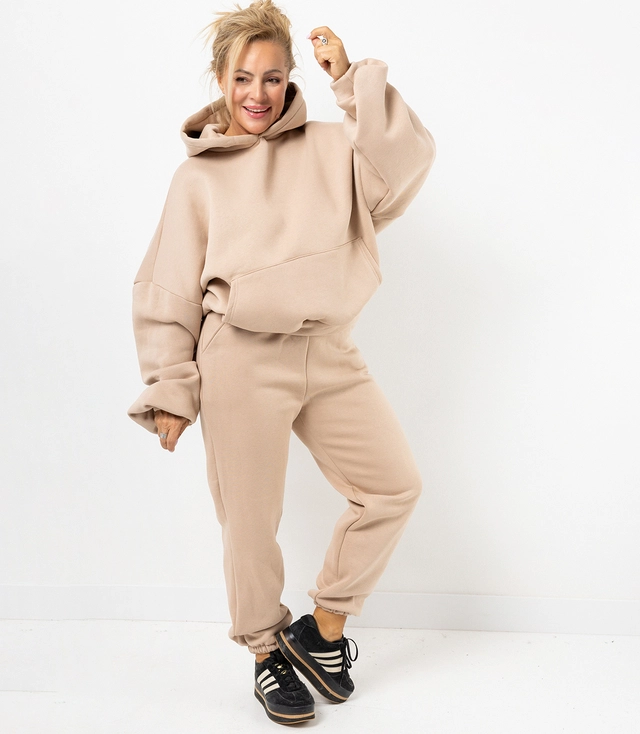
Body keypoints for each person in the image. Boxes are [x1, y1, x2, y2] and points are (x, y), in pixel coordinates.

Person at [128, 0, 435, 725]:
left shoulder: (331, 148)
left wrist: (351, 81)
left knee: (393, 487)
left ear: (292, 76)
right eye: (242, 78)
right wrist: (171, 388)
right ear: (220, 80)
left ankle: (322, 631)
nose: (257, 94)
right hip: (238, 358)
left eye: (272, 77)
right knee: (250, 521)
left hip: (329, 349)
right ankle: (267, 651)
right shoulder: (197, 179)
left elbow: (406, 163)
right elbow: (169, 287)